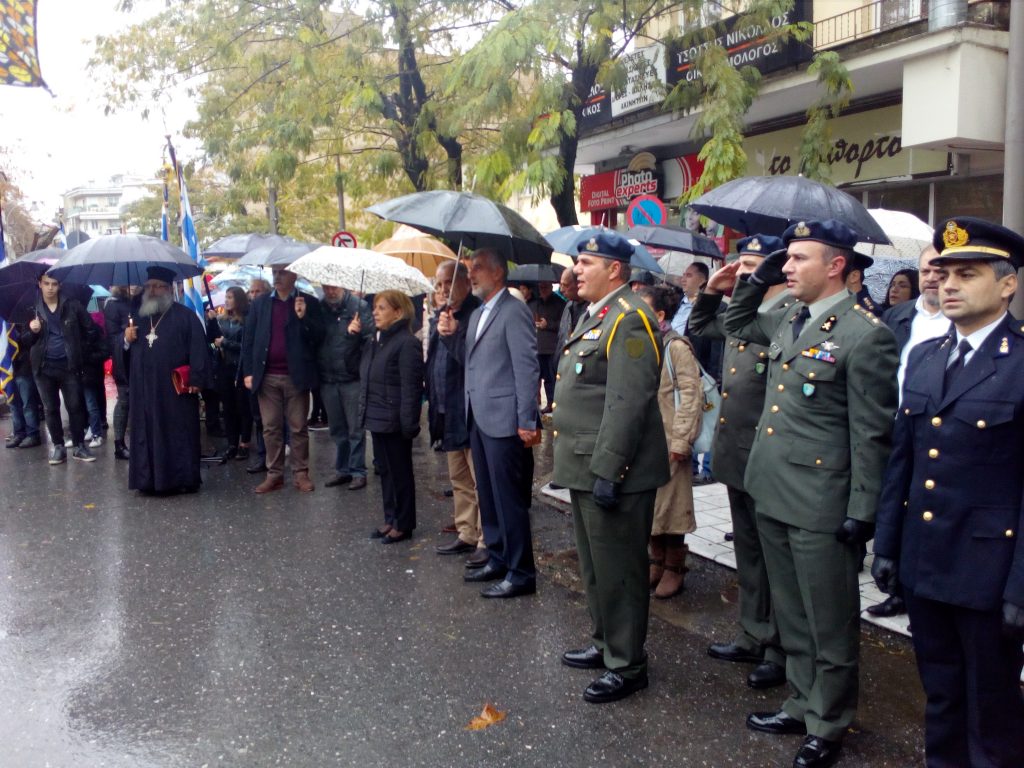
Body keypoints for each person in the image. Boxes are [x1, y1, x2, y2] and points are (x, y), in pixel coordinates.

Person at [723, 220, 898, 768]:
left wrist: (863, 511)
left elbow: (872, 434)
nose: (788, 267)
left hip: (822, 501)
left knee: (829, 619)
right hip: (772, 488)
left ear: (836, 265)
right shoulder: (787, 318)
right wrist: (758, 278)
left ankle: (829, 720)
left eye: (798, 258)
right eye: (786, 259)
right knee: (793, 613)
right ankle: (800, 701)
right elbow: (736, 322)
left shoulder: (866, 334)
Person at [872, 217, 1024, 768]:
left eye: (968, 273)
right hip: (925, 563)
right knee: (940, 698)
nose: (947, 283)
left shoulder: (1021, 363)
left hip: (988, 574)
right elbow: (903, 461)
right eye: (942, 272)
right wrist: (887, 545)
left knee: (993, 710)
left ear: (1007, 284)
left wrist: (1020, 587)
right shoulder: (929, 356)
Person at [553, 231, 669, 704]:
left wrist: (609, 471)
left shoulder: (631, 319)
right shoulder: (595, 313)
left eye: (585, 262)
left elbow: (628, 403)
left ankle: (628, 664)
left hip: (612, 469)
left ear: (614, 269)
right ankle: (605, 643)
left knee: (620, 572)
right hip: (586, 465)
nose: (576, 270)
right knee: (596, 568)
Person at [690, 234, 790, 691]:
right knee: (748, 552)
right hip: (736, 451)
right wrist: (713, 287)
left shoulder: (786, 316)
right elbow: (699, 325)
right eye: (741, 263)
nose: (744, 271)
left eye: (753, 265)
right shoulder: (741, 315)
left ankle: (778, 648)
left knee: (775, 560)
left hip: (767, 454)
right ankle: (753, 632)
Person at [440, 247, 539, 599]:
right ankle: (497, 557)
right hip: (478, 418)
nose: (471, 275)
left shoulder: (514, 311)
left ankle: (521, 571)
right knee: (490, 496)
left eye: (477, 269)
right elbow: (469, 363)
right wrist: (450, 335)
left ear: (498, 273)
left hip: (505, 419)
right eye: (469, 269)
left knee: (509, 498)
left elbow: (526, 366)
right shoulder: (480, 312)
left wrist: (527, 418)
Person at [870, 247, 948, 619]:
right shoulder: (896, 316)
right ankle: (896, 588)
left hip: (935, 432)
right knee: (894, 501)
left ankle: (925, 592)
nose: (931, 276)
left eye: (937, 269)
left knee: (927, 509)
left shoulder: (957, 319)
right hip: (892, 423)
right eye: (925, 269)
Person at [637, 284, 702, 600]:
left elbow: (692, 394)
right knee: (652, 506)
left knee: (672, 508)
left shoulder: (676, 346)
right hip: (645, 441)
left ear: (660, 314)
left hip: (670, 439)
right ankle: (656, 560)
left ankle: (675, 566)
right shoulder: (642, 341)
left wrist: (682, 439)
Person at [123, 266, 213, 493]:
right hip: (144, 390)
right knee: (146, 433)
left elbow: (199, 350)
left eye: (159, 286)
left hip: (174, 390)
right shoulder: (137, 321)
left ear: (169, 289)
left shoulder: (186, 316)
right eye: (150, 286)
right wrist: (125, 340)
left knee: (177, 432)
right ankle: (147, 480)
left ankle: (181, 480)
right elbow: (121, 352)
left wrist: (196, 378)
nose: (153, 290)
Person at [242, 266, 325, 494]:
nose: (277, 277)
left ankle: (301, 473)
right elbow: (249, 339)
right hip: (266, 376)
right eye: (275, 272)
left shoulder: (307, 301)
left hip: (295, 376)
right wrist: (247, 371)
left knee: (298, 427)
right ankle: (274, 474)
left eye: (282, 272)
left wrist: (303, 317)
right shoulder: (260, 304)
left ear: (294, 275)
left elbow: (319, 337)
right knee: (270, 428)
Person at [357, 290, 424, 544]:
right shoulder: (376, 341)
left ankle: (404, 523)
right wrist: (354, 338)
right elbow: (358, 369)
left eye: (381, 308)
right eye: (375, 307)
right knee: (384, 471)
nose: (375, 312)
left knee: (400, 472)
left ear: (398, 312)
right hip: (377, 416)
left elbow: (411, 387)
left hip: (394, 419)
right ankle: (390, 518)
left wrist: (409, 423)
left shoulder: (407, 343)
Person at [428, 260, 484, 557]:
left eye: (448, 282)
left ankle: (487, 538)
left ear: (465, 281)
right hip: (446, 408)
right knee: (459, 478)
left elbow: (472, 361)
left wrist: (454, 332)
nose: (443, 289)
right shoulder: (440, 315)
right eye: (438, 284)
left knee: (479, 479)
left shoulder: (476, 313)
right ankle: (466, 532)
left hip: (470, 410)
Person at [21, 273, 99, 464]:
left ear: (60, 285)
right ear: (39, 284)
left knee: (75, 406)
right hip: (44, 367)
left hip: (69, 365)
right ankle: (58, 447)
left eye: (54, 284)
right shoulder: (32, 309)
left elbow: (91, 329)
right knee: (50, 409)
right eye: (46, 283)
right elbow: (24, 341)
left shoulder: (72, 305)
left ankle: (79, 446)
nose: (50, 288)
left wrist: (79, 350)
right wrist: (32, 331)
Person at [318, 282, 373, 490]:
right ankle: (343, 469)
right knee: (337, 428)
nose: (330, 291)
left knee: (355, 428)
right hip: (328, 376)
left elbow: (370, 341)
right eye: (326, 287)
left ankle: (358, 470)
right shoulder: (321, 307)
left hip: (352, 376)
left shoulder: (359, 307)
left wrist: (355, 334)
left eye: (334, 288)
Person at [212, 286, 252, 461]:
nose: (227, 300)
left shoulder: (246, 320)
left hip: (240, 368)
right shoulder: (222, 320)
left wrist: (226, 343)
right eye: (226, 297)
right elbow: (214, 341)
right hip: (224, 368)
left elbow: (246, 347)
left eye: (230, 297)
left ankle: (245, 442)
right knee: (228, 407)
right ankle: (232, 443)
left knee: (242, 406)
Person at [104, 285, 137, 460]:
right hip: (124, 361)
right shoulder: (112, 304)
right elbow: (111, 337)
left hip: (144, 360)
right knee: (124, 401)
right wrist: (125, 338)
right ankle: (119, 444)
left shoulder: (141, 302)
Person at [244, 278, 271, 474]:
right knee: (259, 419)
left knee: (275, 421)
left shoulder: (271, 310)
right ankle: (262, 456)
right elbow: (248, 343)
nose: (253, 295)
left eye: (258, 291)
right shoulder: (250, 312)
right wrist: (246, 373)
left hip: (272, 372)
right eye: (251, 292)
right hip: (255, 373)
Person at [3, 321, 43, 450]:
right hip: (8, 368)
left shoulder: (24, 318)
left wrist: (15, 337)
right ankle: (19, 433)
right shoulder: (3, 322)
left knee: (27, 403)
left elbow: (30, 339)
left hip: (23, 366)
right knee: (13, 404)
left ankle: (33, 434)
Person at [528, 277, 565, 413]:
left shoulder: (559, 303)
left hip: (551, 347)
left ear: (550, 287)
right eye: (540, 288)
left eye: (544, 287)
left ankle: (551, 403)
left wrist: (547, 324)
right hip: (535, 346)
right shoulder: (534, 303)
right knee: (533, 378)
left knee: (550, 379)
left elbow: (563, 324)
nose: (542, 290)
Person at [555, 268, 587, 363]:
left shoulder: (591, 309)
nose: (561, 290)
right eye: (560, 284)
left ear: (578, 284)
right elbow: (561, 336)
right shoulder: (568, 306)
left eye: (565, 285)